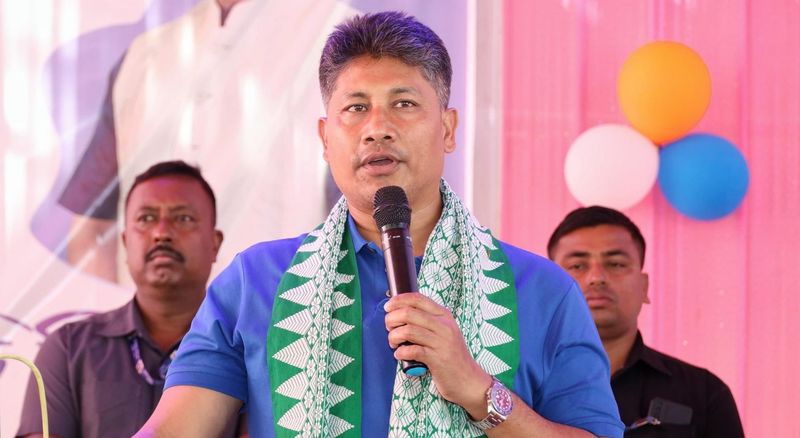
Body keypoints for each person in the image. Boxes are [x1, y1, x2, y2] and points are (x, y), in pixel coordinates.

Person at [136, 12, 624, 437]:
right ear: (325, 139)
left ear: (448, 129)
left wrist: (477, 390)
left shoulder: (545, 292)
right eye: (356, 108)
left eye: (404, 103)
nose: (377, 128)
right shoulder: (254, 282)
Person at [57, 0, 356, 284]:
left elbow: (362, 237)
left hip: (283, 316)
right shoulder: (143, 57)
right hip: (147, 319)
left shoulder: (348, 45)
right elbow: (91, 232)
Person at [16, 161, 243, 438]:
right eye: (146, 219)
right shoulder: (69, 348)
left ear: (215, 243)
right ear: (125, 242)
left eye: (183, 218)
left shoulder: (246, 347)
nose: (161, 233)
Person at [547, 206, 745, 437]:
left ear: (644, 286)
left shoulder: (704, 393)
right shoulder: (520, 388)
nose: (596, 277)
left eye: (616, 264)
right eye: (577, 266)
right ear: (549, 288)